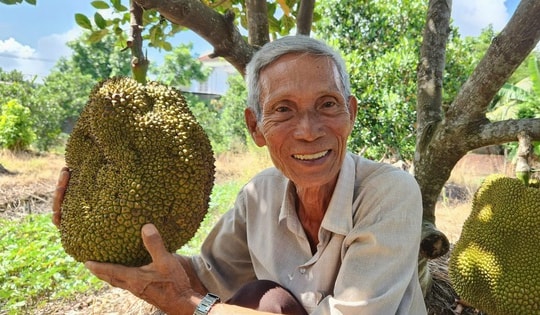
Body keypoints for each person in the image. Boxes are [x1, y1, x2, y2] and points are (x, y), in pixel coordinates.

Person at [53, 35, 427, 315]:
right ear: (256, 127)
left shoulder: (390, 192)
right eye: (283, 109)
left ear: (351, 114)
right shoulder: (259, 196)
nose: (309, 130)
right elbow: (204, 276)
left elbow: (192, 294)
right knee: (264, 298)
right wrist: (108, 238)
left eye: (327, 105)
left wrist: (192, 306)